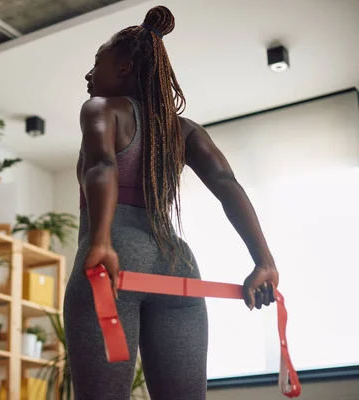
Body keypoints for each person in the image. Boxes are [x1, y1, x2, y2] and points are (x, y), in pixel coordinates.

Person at [63, 5, 279, 400]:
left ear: (124, 68)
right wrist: (263, 261)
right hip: (177, 266)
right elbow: (227, 183)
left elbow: (102, 165)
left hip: (114, 261)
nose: (89, 74)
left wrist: (100, 242)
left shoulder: (101, 110)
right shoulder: (183, 130)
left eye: (97, 63)